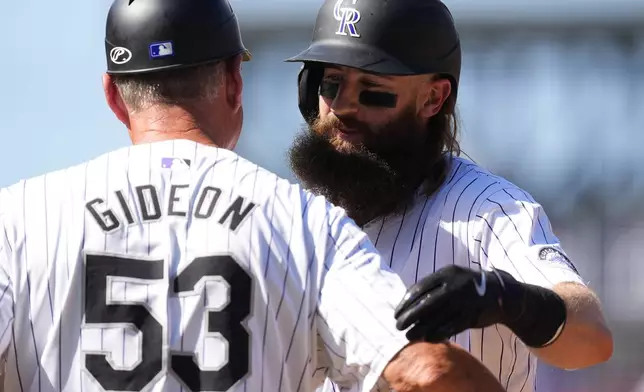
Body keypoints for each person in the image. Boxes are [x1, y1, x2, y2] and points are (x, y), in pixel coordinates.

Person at [0, 0, 507, 391]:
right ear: (234, 83)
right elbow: (426, 372)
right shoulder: (307, 223)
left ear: (113, 95)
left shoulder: (20, 219)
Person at [285, 0, 614, 390]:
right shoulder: (293, 214)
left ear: (432, 98)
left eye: (373, 90)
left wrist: (506, 299)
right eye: (331, 84)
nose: (343, 106)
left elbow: (591, 339)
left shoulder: (488, 209)